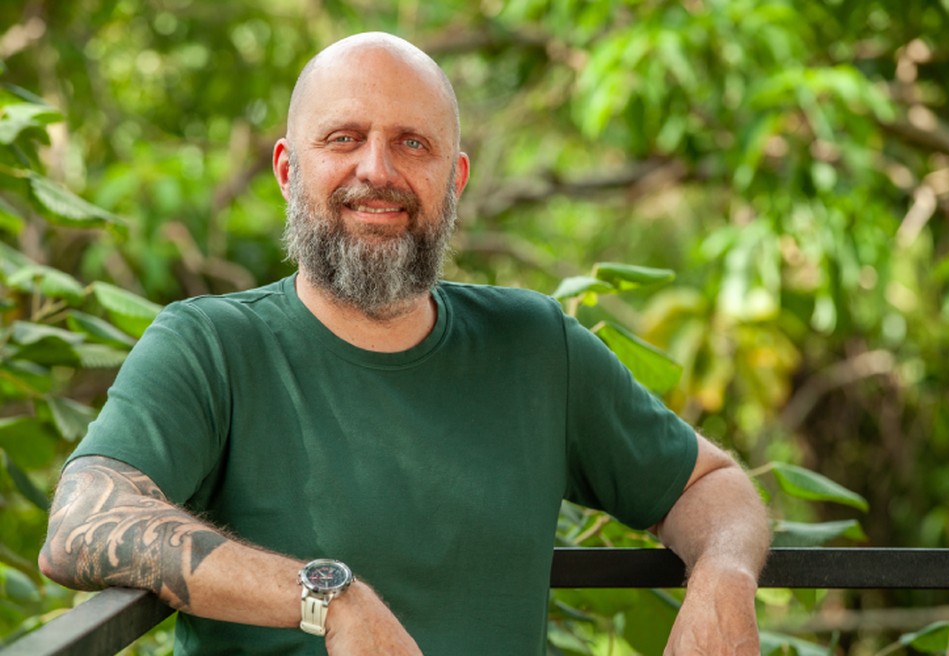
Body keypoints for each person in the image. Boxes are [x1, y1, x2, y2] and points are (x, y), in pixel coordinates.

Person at [39, 31, 770, 655]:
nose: (377, 171)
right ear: (289, 171)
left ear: (454, 180)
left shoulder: (534, 344)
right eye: (344, 138)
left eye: (411, 144)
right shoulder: (210, 346)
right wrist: (330, 598)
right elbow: (82, 524)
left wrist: (725, 576)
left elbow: (709, 485)